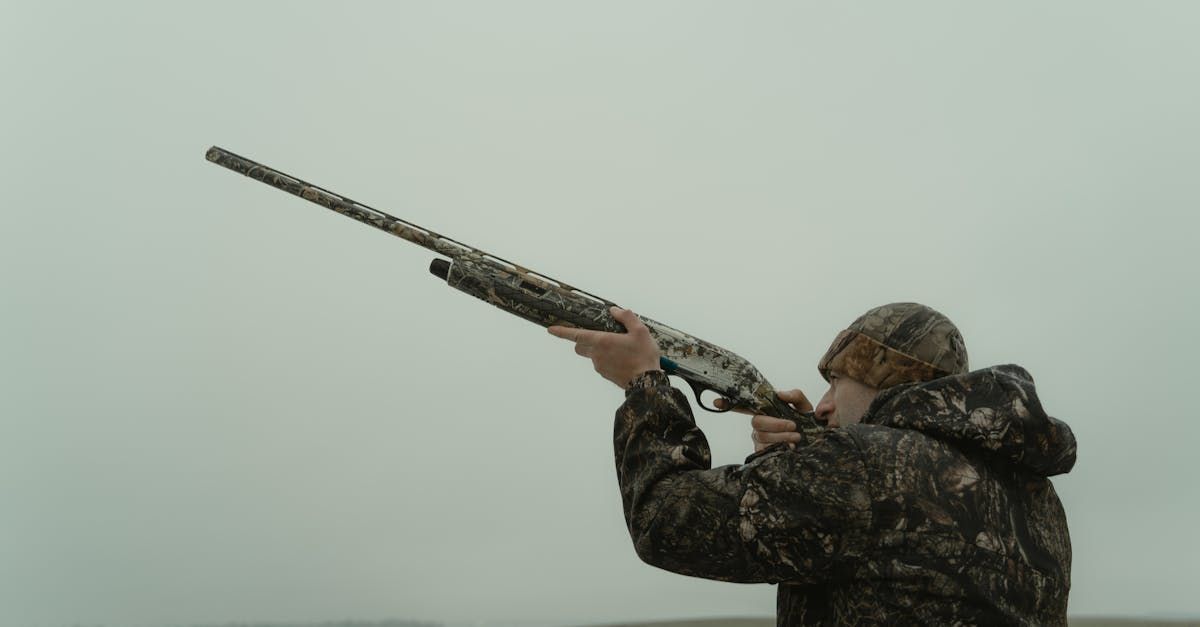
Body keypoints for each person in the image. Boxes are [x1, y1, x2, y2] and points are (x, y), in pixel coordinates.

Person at [549, 302, 1075, 626]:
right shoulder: (1036, 500)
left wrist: (644, 384)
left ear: (881, 378)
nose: (821, 405)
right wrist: (805, 459)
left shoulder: (863, 466)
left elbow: (664, 520)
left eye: (837, 384)